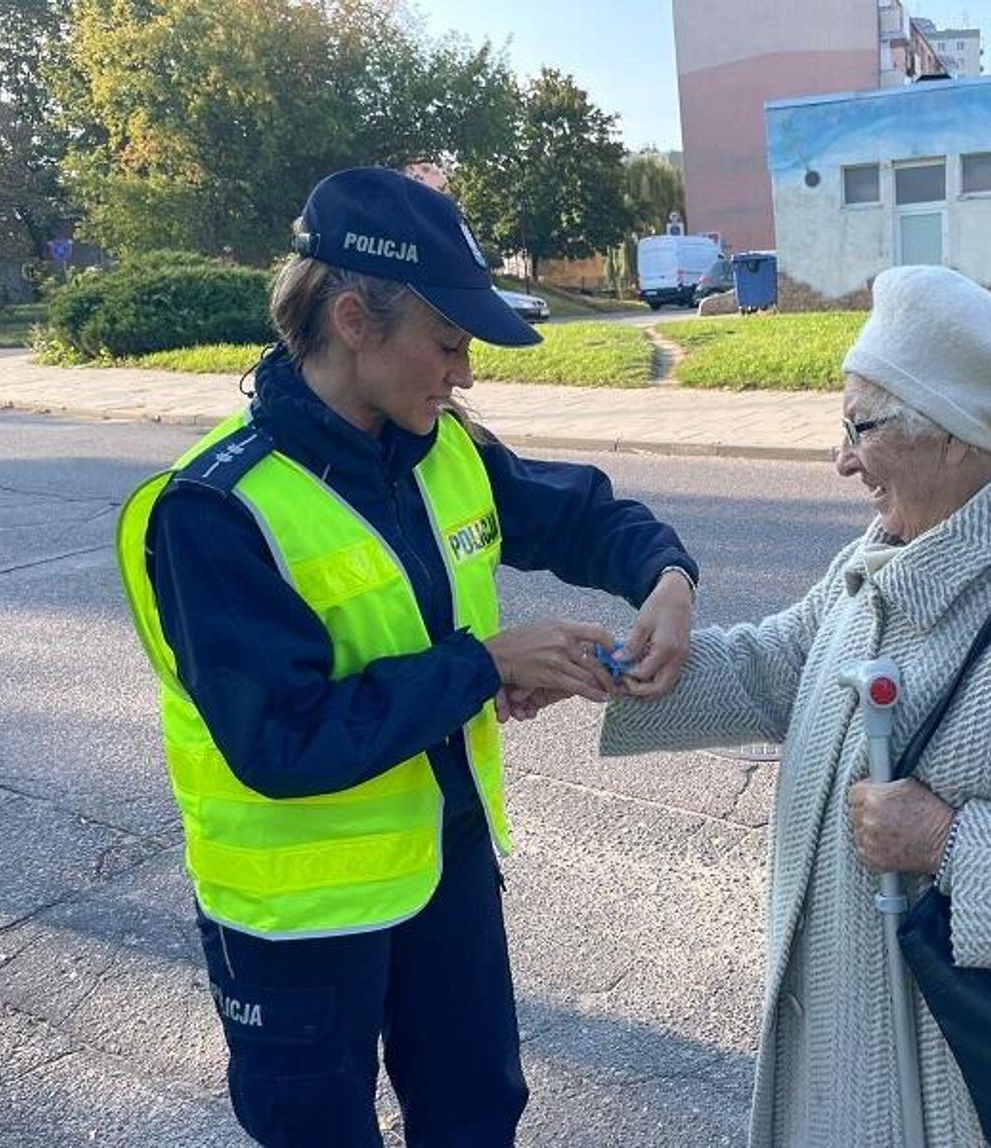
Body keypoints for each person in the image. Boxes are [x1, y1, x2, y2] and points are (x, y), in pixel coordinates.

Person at [600, 266, 991, 1146]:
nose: (841, 459)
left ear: (952, 438)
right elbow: (779, 667)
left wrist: (949, 842)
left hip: (960, 1115)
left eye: (859, 428)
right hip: (861, 1081)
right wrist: (605, 672)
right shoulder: (891, 554)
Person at [115, 167, 699, 1147]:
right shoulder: (215, 509)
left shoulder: (438, 445)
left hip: (445, 861)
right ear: (353, 320)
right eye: (449, 342)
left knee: (476, 1113)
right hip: (300, 915)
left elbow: (574, 515)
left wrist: (666, 574)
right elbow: (282, 740)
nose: (465, 373)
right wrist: (484, 666)